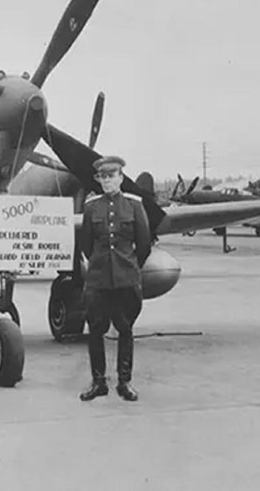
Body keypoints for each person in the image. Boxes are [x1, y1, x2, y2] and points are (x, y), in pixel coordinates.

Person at [79, 156, 151, 402]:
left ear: (121, 178)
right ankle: (98, 382)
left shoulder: (134, 205)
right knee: (96, 330)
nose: (107, 181)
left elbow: (143, 244)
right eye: (103, 177)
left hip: (125, 279)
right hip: (98, 280)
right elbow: (86, 245)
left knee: (125, 329)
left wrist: (130, 268)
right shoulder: (91, 207)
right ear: (98, 180)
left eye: (112, 176)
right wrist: (100, 264)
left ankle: (124, 382)